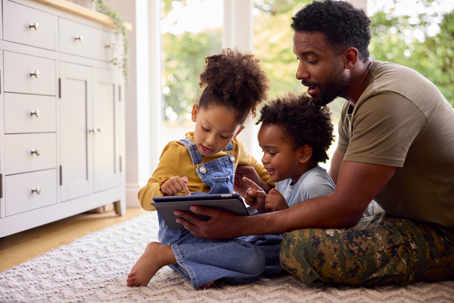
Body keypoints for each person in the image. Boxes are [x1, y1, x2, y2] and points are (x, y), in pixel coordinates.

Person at [175, 0, 454, 286]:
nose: (299, 72)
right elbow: (329, 195)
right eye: (299, 59)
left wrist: (238, 227)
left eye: (311, 59)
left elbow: (343, 208)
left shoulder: (387, 98)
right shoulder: (354, 104)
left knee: (302, 248)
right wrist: (265, 186)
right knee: (295, 228)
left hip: (444, 230)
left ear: (349, 57)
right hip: (403, 214)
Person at [127, 48, 279, 289]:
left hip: (225, 231)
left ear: (237, 132)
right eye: (206, 128)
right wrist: (163, 188)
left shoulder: (235, 148)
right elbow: (143, 197)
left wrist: (259, 193)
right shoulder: (178, 152)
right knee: (254, 261)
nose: (210, 141)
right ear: (195, 113)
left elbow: (268, 181)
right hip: (186, 236)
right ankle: (165, 254)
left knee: (279, 245)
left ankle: (208, 265)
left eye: (224, 135)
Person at [244, 93, 335, 216]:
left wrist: (285, 212)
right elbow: (278, 227)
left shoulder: (316, 186)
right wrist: (263, 207)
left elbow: (327, 232)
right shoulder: (285, 178)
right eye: (263, 151)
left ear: (303, 153)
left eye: (272, 152)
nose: (264, 159)